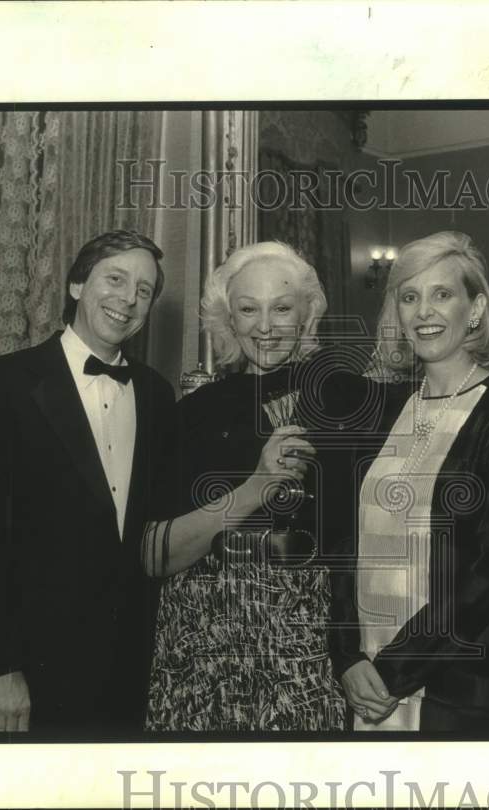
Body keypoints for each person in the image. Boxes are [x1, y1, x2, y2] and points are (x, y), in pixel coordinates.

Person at [0, 230, 176, 738]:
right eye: (115, 279)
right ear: (77, 284)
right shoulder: (0, 385)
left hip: (129, 671)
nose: (129, 299)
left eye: (144, 290)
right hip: (27, 670)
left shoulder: (158, 394)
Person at [142, 241, 372, 732]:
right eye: (248, 309)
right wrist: (256, 487)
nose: (265, 326)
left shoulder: (350, 400)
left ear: (308, 315)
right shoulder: (191, 414)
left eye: (282, 308)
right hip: (200, 643)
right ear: (228, 319)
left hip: (308, 646)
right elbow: (153, 554)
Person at [331, 231, 489, 732]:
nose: (424, 311)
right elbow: (347, 544)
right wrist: (346, 656)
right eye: (409, 297)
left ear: (475, 309)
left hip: (453, 684)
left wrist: (394, 670)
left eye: (442, 294)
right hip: (364, 681)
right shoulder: (381, 409)